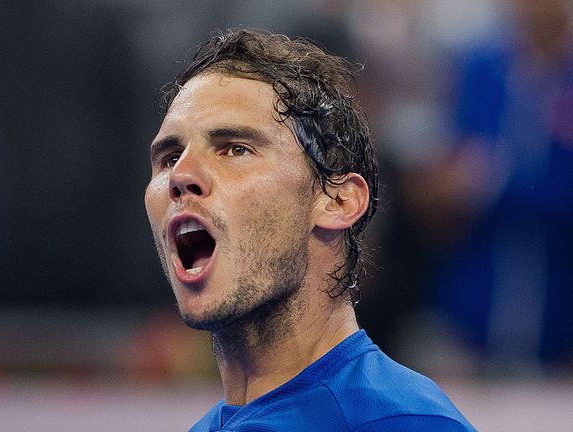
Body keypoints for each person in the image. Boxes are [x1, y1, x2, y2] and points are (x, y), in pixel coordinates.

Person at [143, 28, 476, 431]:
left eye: (235, 148)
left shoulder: (404, 423)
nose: (181, 176)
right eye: (170, 157)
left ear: (338, 201)